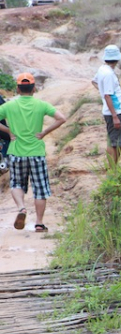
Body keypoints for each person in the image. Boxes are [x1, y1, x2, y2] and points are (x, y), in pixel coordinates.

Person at [0, 73, 66, 232]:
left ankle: (22, 208)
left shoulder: (9, 106)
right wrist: (44, 133)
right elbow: (61, 118)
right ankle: (39, 223)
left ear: (17, 89)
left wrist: (8, 131)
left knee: (16, 183)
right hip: (36, 152)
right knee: (40, 188)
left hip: (16, 151)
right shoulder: (41, 105)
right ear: (34, 88)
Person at [92, 45, 121, 168]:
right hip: (114, 111)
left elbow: (94, 81)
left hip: (111, 110)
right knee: (117, 142)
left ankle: (112, 167)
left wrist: (102, 92)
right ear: (117, 59)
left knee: (113, 140)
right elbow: (107, 95)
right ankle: (113, 168)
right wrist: (115, 116)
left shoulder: (102, 69)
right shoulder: (109, 74)